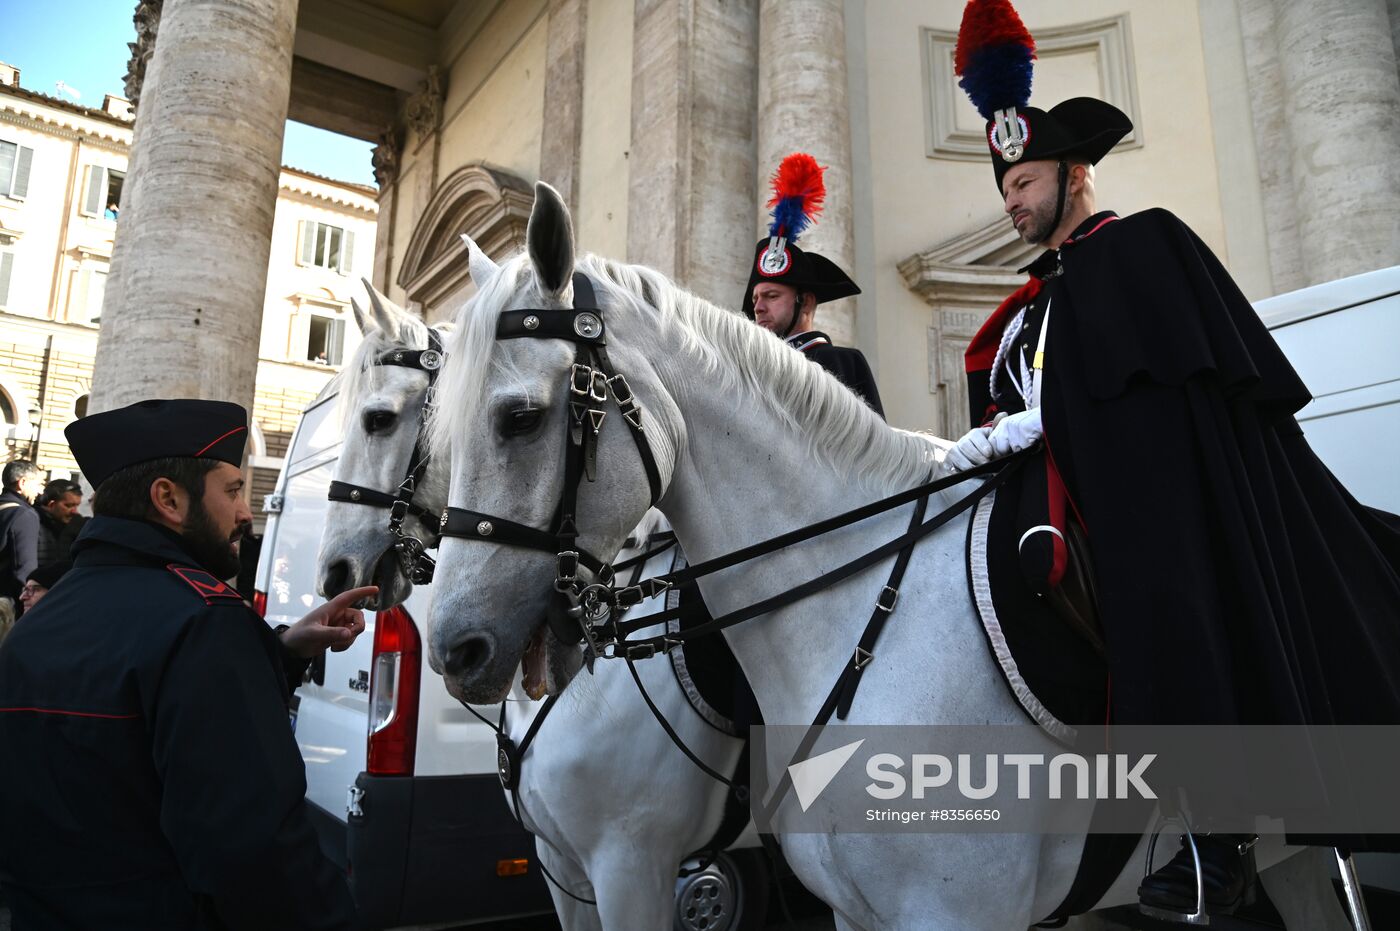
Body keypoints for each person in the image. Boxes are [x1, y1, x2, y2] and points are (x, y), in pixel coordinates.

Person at [949, 0, 1400, 920]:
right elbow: (1039, 407)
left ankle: (1214, 835)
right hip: (1088, 497)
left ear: (1073, 175)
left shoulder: (1142, 245)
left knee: (1173, 604)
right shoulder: (1038, 304)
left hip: (1171, 505)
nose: (1012, 201)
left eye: (1024, 181)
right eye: (1004, 189)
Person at [0, 398, 374, 930]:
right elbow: (256, 852)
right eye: (233, 490)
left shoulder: (39, 622)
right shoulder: (204, 622)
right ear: (168, 500)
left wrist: (283, 647)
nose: (247, 513)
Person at [742, 152, 884, 416]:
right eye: (755, 299)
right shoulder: (751, 374)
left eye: (771, 296)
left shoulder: (840, 363)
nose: (758, 308)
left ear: (805, 301)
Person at [0, 460, 43, 608]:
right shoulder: (24, 516)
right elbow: (25, 570)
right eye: (38, 484)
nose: (40, 491)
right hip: (7, 605)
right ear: (22, 483)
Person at [34, 478, 85, 564]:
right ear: (51, 504)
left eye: (76, 505)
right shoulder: (32, 523)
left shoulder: (78, 524)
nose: (74, 511)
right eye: (69, 506)